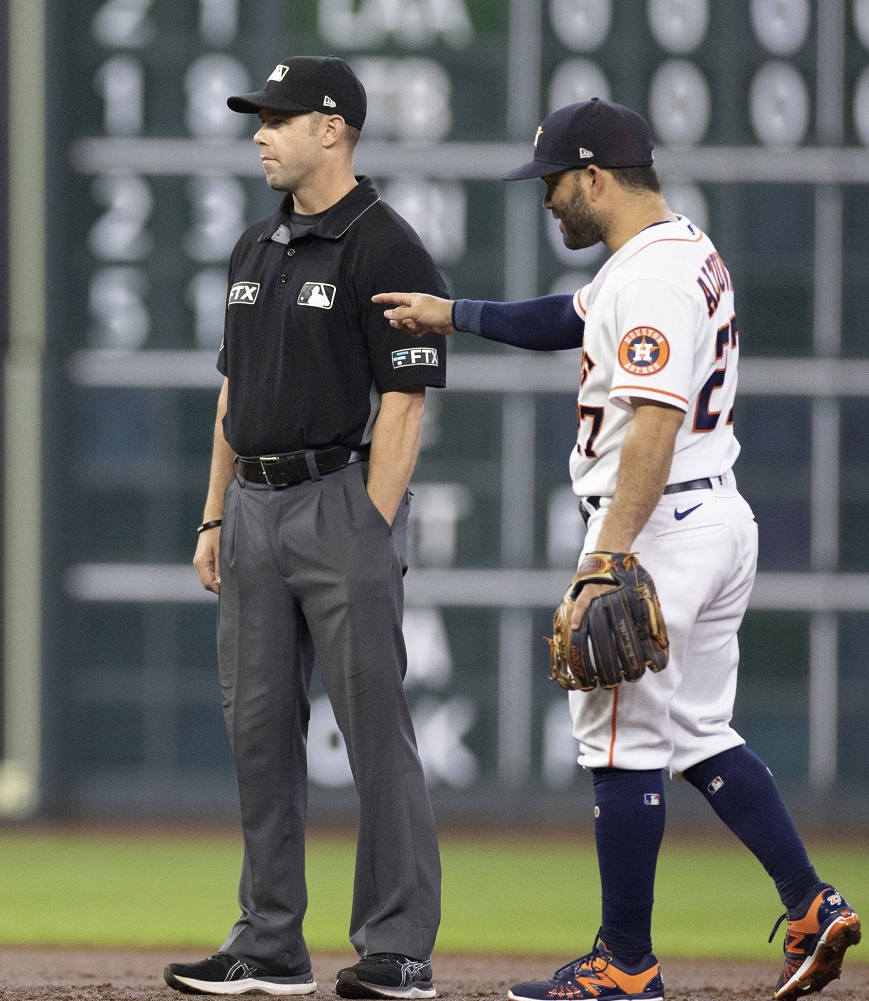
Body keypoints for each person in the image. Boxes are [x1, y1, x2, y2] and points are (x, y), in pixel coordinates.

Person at [374, 98, 861, 1001]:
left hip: (659, 521)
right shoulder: (676, 249)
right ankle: (808, 904)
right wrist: (458, 314)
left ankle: (624, 963)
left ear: (595, 176)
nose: (547, 200)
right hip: (716, 518)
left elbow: (654, 422)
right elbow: (574, 318)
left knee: (618, 743)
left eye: (554, 183)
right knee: (698, 732)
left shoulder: (650, 280)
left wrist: (610, 555)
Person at [162, 56, 446, 1001]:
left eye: (277, 117)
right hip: (249, 507)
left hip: (336, 498)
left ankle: (398, 947)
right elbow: (231, 394)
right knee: (257, 735)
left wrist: (368, 526)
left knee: (375, 735)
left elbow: (405, 405)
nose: (260, 132)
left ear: (333, 127)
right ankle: (270, 943)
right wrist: (212, 512)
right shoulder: (256, 245)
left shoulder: (385, 244)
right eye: (259, 117)